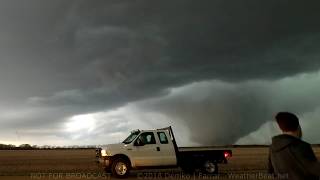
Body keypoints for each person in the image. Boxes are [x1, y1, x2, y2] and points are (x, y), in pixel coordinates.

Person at [268, 112, 320, 180]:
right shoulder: (301, 147)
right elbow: (316, 170)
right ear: (298, 127)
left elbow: (271, 172)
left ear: (281, 128)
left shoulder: (272, 147)